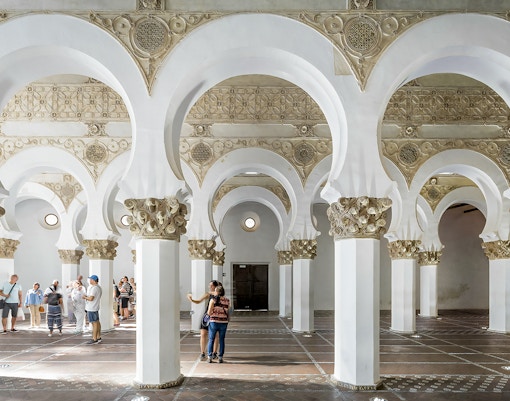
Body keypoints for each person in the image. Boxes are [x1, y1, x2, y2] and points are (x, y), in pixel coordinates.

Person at [187, 280, 220, 360]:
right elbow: (198, 301)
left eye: (211, 285)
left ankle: (214, 352)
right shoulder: (208, 294)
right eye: (210, 285)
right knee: (203, 334)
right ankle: (202, 353)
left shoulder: (219, 295)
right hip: (207, 316)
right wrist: (191, 300)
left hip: (215, 316)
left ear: (215, 287)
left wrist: (214, 293)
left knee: (215, 335)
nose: (210, 287)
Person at [206, 285, 230, 363]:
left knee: (211, 339)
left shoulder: (213, 300)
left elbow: (209, 312)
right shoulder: (227, 300)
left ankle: (210, 356)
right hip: (224, 322)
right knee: (222, 339)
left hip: (214, 322)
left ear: (217, 292)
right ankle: (220, 357)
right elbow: (228, 311)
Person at [83, 275, 102, 344]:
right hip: (95, 307)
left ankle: (94, 339)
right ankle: (98, 337)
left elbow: (91, 298)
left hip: (91, 308)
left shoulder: (94, 288)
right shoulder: (98, 287)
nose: (89, 281)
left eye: (90, 279)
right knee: (97, 322)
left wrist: (85, 297)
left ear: (93, 280)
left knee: (94, 323)